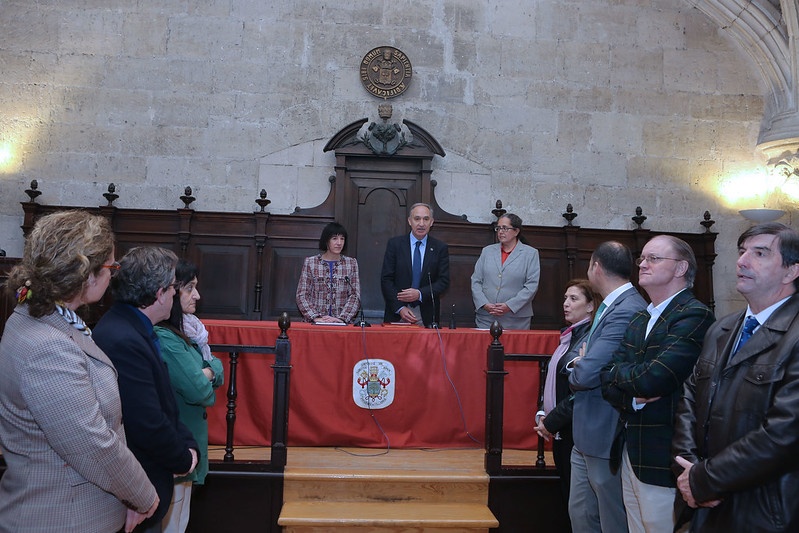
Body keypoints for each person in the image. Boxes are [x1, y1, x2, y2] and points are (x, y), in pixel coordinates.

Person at [0, 210, 158, 533]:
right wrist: (143, 496)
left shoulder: (40, 315)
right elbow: (92, 443)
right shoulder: (46, 345)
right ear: (86, 274)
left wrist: (123, 498)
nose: (113, 275)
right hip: (61, 518)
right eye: (111, 267)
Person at [672, 222, 799, 532]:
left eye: (760, 253)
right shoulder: (721, 328)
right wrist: (690, 471)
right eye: (742, 252)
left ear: (791, 271)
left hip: (767, 509)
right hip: (704, 505)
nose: (742, 261)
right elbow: (689, 400)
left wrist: (706, 479)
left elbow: (784, 434)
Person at [600, 235, 714, 533]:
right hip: (630, 450)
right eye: (642, 258)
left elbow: (653, 379)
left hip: (664, 455)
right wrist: (633, 397)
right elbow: (605, 377)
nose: (643, 264)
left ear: (680, 268)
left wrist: (623, 377)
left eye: (654, 258)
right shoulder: (640, 317)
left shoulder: (694, 314)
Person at [94, 247, 199, 533]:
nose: (176, 296)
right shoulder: (122, 337)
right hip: (137, 492)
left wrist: (188, 445)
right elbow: (145, 422)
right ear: (159, 293)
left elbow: (165, 404)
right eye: (174, 289)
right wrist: (184, 457)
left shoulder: (134, 327)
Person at [569, 241, 647, 533]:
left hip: (605, 432)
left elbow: (587, 372)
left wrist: (580, 365)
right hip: (587, 432)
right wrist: (582, 362)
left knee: (610, 519)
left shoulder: (627, 308)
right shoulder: (610, 305)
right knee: (582, 515)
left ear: (595, 267)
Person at [155, 260, 224, 532]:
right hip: (175, 445)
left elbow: (213, 367)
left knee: (180, 521)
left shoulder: (190, 331)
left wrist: (208, 370)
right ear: (170, 292)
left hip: (186, 446)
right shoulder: (166, 335)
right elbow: (199, 390)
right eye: (190, 289)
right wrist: (207, 372)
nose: (198, 296)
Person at [534, 278, 599, 525]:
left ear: (591, 306)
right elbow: (550, 378)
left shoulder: (589, 337)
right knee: (570, 500)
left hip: (573, 430)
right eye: (565, 298)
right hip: (560, 429)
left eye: (574, 299)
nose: (566, 304)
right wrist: (542, 412)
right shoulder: (568, 336)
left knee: (581, 506)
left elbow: (578, 391)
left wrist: (552, 421)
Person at [381, 203, 450, 327]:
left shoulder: (440, 248)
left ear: (432, 222)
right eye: (417, 219)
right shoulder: (395, 245)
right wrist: (400, 308)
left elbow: (443, 281)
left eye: (426, 219)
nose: (421, 224)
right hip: (398, 312)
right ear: (409, 221)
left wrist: (420, 293)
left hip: (426, 314)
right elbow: (386, 279)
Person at [471, 214, 540, 329]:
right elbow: (476, 281)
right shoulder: (487, 251)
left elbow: (531, 286)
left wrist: (509, 305)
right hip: (487, 317)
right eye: (498, 228)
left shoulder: (530, 254)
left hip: (516, 318)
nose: (500, 232)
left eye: (505, 228)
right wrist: (484, 304)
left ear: (516, 231)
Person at [296, 222, 361, 323]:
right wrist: (315, 317)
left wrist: (341, 319)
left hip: (341, 324)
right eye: (334, 238)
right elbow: (302, 295)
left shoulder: (351, 263)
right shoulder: (311, 262)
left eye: (342, 239)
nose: (339, 243)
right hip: (315, 323)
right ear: (326, 241)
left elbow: (355, 296)